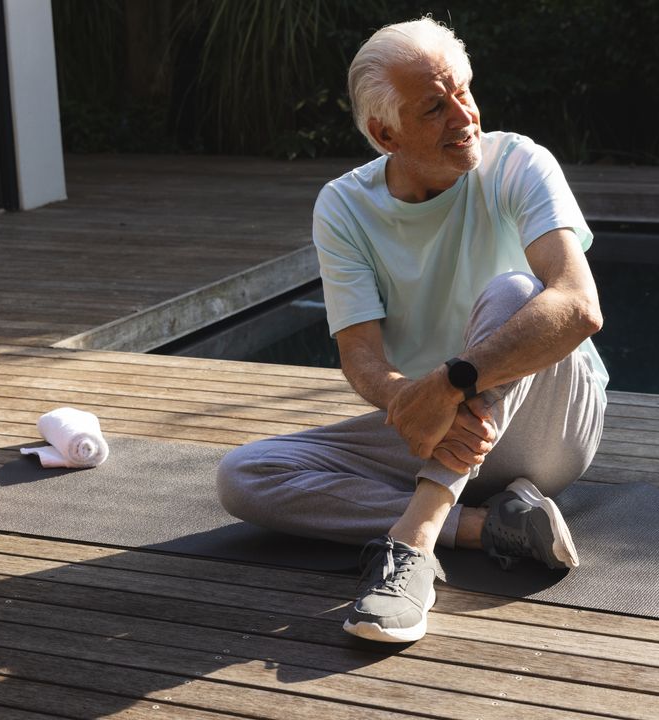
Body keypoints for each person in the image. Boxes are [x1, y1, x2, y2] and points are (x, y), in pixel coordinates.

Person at [217, 17, 608, 643]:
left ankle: (415, 540)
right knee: (245, 475)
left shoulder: (517, 163)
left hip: (550, 426)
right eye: (435, 107)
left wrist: (452, 384)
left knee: (515, 291)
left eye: (464, 91)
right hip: (434, 430)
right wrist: (412, 401)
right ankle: (491, 526)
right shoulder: (343, 206)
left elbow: (578, 304)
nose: (464, 117)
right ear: (383, 132)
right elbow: (360, 357)